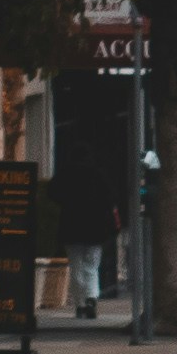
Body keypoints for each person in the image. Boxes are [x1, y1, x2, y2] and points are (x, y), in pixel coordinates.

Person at [54, 133, 120, 322]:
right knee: (92, 265)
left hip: (72, 227)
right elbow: (110, 198)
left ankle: (80, 303)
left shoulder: (66, 174)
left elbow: (53, 192)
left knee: (75, 266)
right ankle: (91, 297)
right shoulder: (97, 174)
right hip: (94, 228)